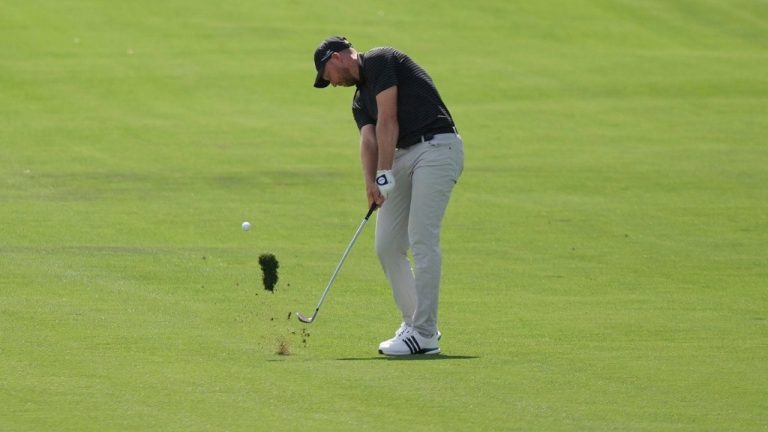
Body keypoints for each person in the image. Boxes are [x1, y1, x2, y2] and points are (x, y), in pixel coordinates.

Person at [312, 36, 464, 356]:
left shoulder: (380, 60)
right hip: (404, 155)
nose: (333, 83)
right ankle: (414, 324)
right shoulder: (358, 101)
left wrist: (384, 172)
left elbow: (388, 118)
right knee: (387, 245)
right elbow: (369, 140)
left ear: (337, 57)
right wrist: (371, 182)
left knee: (421, 238)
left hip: (437, 147)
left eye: (328, 76)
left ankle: (424, 334)